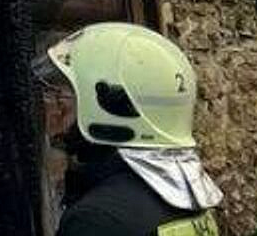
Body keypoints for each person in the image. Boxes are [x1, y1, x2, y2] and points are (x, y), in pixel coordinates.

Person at [37, 22, 223, 235]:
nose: (54, 109)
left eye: (61, 97)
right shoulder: (187, 196)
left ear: (110, 108)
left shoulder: (97, 219)